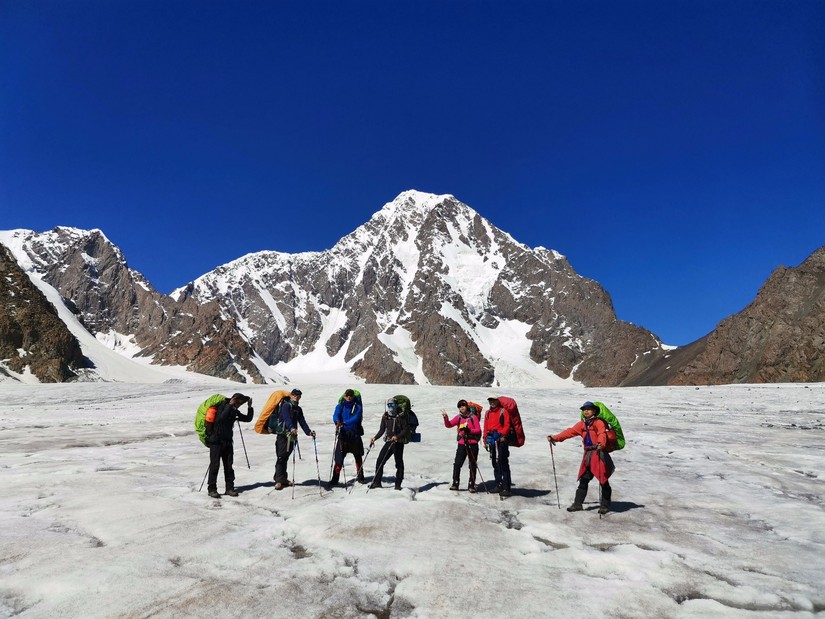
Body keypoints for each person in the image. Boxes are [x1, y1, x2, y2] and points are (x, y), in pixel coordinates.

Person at [547, 401, 615, 514]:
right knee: (584, 480)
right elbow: (569, 432)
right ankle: (578, 504)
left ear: (594, 411)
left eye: (589, 409)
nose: (586, 411)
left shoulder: (599, 423)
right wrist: (555, 438)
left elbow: (602, 434)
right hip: (588, 455)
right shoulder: (582, 424)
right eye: (584, 409)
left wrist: (600, 444)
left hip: (598, 453)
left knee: (603, 481)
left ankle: (605, 505)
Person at [204, 393, 254, 498]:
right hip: (216, 441)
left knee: (228, 465)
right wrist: (230, 405)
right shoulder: (222, 407)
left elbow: (247, 419)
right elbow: (221, 419)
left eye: (240, 403)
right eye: (238, 402)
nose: (239, 404)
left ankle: (229, 488)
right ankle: (212, 489)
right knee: (215, 465)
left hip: (227, 441)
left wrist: (250, 407)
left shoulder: (233, 411)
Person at [273, 389, 316, 491]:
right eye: (295, 395)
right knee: (281, 457)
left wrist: (309, 432)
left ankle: (282, 478)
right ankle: (279, 480)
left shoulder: (298, 409)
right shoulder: (286, 406)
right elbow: (286, 418)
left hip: (292, 436)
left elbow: (302, 422)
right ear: (291, 395)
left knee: (285, 457)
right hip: (283, 435)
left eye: (298, 395)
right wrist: (291, 427)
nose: (296, 397)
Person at [442, 400, 482, 492]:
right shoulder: (459, 417)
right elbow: (449, 425)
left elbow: (478, 430)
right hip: (462, 443)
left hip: (472, 443)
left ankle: (471, 485)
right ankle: (455, 483)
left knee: (472, 465)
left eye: (463, 406)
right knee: (457, 464)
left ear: (467, 406)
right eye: (460, 407)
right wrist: (445, 418)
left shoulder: (473, 417)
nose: (462, 408)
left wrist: (468, 430)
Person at [329, 388, 366, 488]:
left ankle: (360, 476)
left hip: (354, 434)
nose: (349, 397)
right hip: (344, 435)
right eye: (347, 395)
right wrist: (337, 421)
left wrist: (344, 423)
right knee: (339, 459)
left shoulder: (357, 406)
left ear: (353, 396)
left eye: (351, 395)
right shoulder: (340, 406)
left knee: (358, 456)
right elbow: (335, 415)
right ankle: (335, 478)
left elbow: (357, 418)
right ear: (344, 396)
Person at [369, 398, 409, 490]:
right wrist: (375, 438)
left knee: (398, 463)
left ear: (396, 405)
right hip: (389, 441)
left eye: (393, 405)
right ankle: (377, 483)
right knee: (380, 461)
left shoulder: (401, 416)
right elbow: (382, 430)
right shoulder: (385, 416)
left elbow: (405, 429)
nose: (391, 407)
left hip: (398, 443)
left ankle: (398, 485)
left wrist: (397, 437)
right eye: (389, 405)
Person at [483, 396, 512, 497]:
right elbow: (486, 426)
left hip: (501, 441)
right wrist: (485, 438)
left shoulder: (503, 411)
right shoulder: (487, 413)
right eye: (490, 400)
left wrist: (499, 434)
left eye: (493, 400)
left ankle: (507, 487)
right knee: (495, 463)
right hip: (492, 440)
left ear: (497, 401)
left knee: (502, 462)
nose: (492, 402)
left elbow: (507, 426)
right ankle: (499, 484)